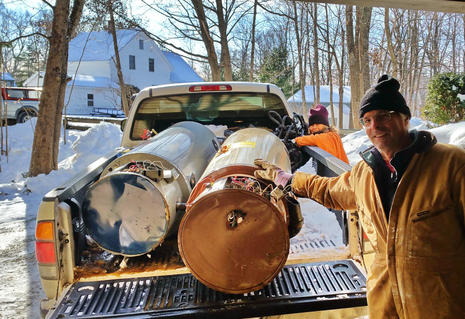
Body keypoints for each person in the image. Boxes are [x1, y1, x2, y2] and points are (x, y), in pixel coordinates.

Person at [254, 74, 465, 319]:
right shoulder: (366, 172)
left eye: (384, 116)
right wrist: (289, 181)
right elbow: (330, 190)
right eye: (367, 120)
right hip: (385, 307)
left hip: (440, 308)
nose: (374, 126)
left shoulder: (451, 166)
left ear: (405, 118)